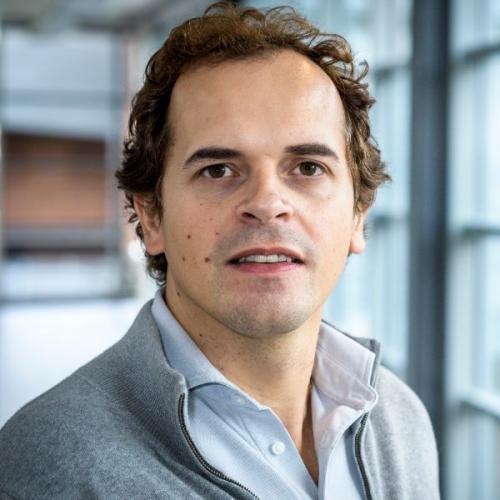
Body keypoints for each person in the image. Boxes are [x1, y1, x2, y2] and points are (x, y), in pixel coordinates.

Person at [0, 3, 440, 499]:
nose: (267, 204)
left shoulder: (399, 421)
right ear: (152, 216)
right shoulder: (48, 466)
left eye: (307, 167)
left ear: (358, 214)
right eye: (218, 170)